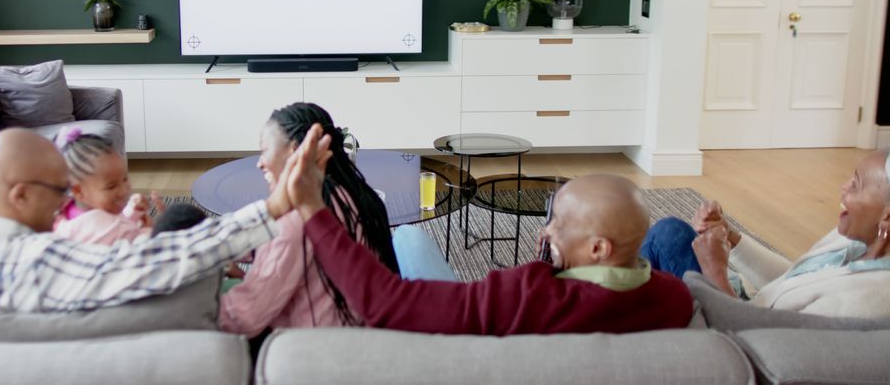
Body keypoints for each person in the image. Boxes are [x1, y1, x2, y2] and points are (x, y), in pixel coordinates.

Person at [0, 127, 330, 313]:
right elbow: (163, 259)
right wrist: (275, 206)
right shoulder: (37, 261)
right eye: (58, 192)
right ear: (20, 194)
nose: (64, 203)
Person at [284, 162, 694, 335]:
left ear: (599, 248)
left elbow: (383, 301)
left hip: (470, 342)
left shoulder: (525, 294)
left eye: (557, 222)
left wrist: (312, 210)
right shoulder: (674, 298)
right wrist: (559, 258)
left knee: (407, 237)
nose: (546, 230)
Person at [218, 103, 400, 338]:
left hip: (313, 351)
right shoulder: (355, 194)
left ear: (295, 151)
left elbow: (244, 318)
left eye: (264, 150)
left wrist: (192, 310)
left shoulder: (297, 217)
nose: (260, 162)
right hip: (366, 334)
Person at [641, 151, 890, 318]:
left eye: (856, 184)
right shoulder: (856, 239)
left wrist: (715, 272)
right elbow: (791, 278)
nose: (843, 187)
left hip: (730, 329)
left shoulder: (864, 299)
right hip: (745, 300)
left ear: (887, 217)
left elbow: (761, 342)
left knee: (665, 238)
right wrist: (731, 237)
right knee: (670, 235)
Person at [52, 128, 163, 245]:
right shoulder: (101, 230)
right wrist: (149, 229)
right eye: (111, 186)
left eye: (125, 179)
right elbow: (135, 245)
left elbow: (115, 221)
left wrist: (133, 212)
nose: (124, 190)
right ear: (79, 191)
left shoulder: (75, 212)